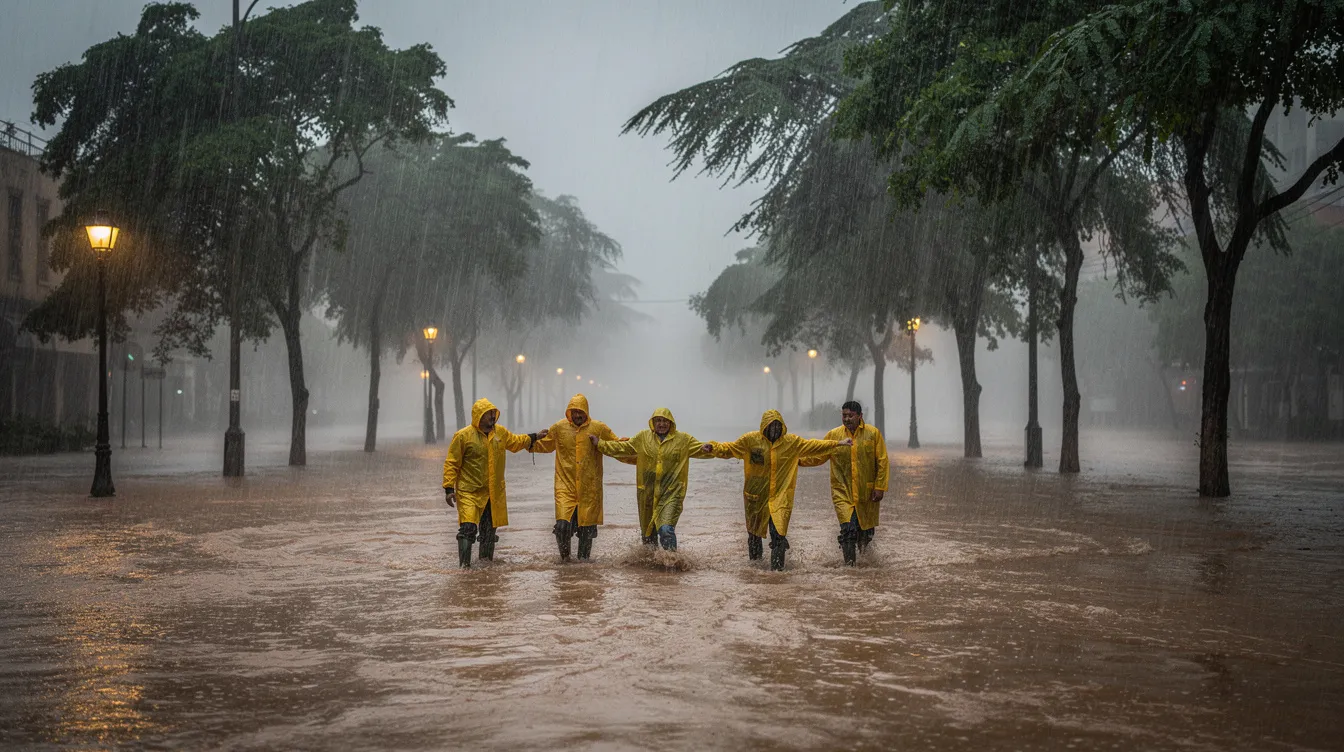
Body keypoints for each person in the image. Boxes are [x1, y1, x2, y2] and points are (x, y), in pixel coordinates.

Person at [711, 409, 851, 570]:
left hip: (781, 497)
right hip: (756, 498)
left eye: (778, 427)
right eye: (771, 427)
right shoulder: (750, 440)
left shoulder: (791, 442)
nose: (775, 431)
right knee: (754, 534)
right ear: (764, 427)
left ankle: (777, 572)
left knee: (778, 534)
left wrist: (838, 443)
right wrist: (712, 448)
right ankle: (754, 570)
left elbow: (813, 445)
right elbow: (730, 449)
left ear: (782, 427)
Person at [441, 398, 546, 569]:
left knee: (489, 533)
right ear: (478, 416)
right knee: (467, 529)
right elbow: (452, 463)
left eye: (492, 413)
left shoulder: (500, 433)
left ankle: (485, 568)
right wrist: (448, 488)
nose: (491, 417)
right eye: (487, 414)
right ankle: (464, 569)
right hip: (469, 492)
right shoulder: (463, 436)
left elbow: (516, 442)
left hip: (493, 493)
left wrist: (534, 437)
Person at [592, 407, 716, 551]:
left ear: (671, 423)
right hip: (647, 494)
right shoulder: (642, 437)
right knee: (648, 538)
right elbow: (623, 448)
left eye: (665, 421)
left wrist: (708, 448)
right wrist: (600, 444)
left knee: (665, 530)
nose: (662, 424)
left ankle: (671, 563)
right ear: (653, 423)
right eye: (658, 421)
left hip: (671, 493)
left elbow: (700, 448)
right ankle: (652, 568)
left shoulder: (683, 440)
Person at [531, 394, 621, 561]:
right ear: (569, 412)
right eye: (574, 412)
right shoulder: (559, 428)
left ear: (587, 412)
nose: (578, 416)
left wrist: (637, 453)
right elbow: (545, 444)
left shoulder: (598, 428)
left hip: (589, 490)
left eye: (581, 412)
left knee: (586, 532)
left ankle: (582, 567)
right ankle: (565, 561)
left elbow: (617, 446)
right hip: (565, 487)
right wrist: (529, 441)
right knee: (562, 526)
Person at [800, 400, 889, 565]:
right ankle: (850, 568)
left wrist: (880, 487)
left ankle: (864, 562)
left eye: (850, 415)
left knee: (865, 534)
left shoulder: (873, 434)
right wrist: (797, 461)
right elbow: (819, 455)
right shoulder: (834, 435)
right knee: (848, 529)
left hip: (866, 493)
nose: (847, 419)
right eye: (844, 415)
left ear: (860, 416)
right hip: (842, 492)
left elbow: (882, 462)